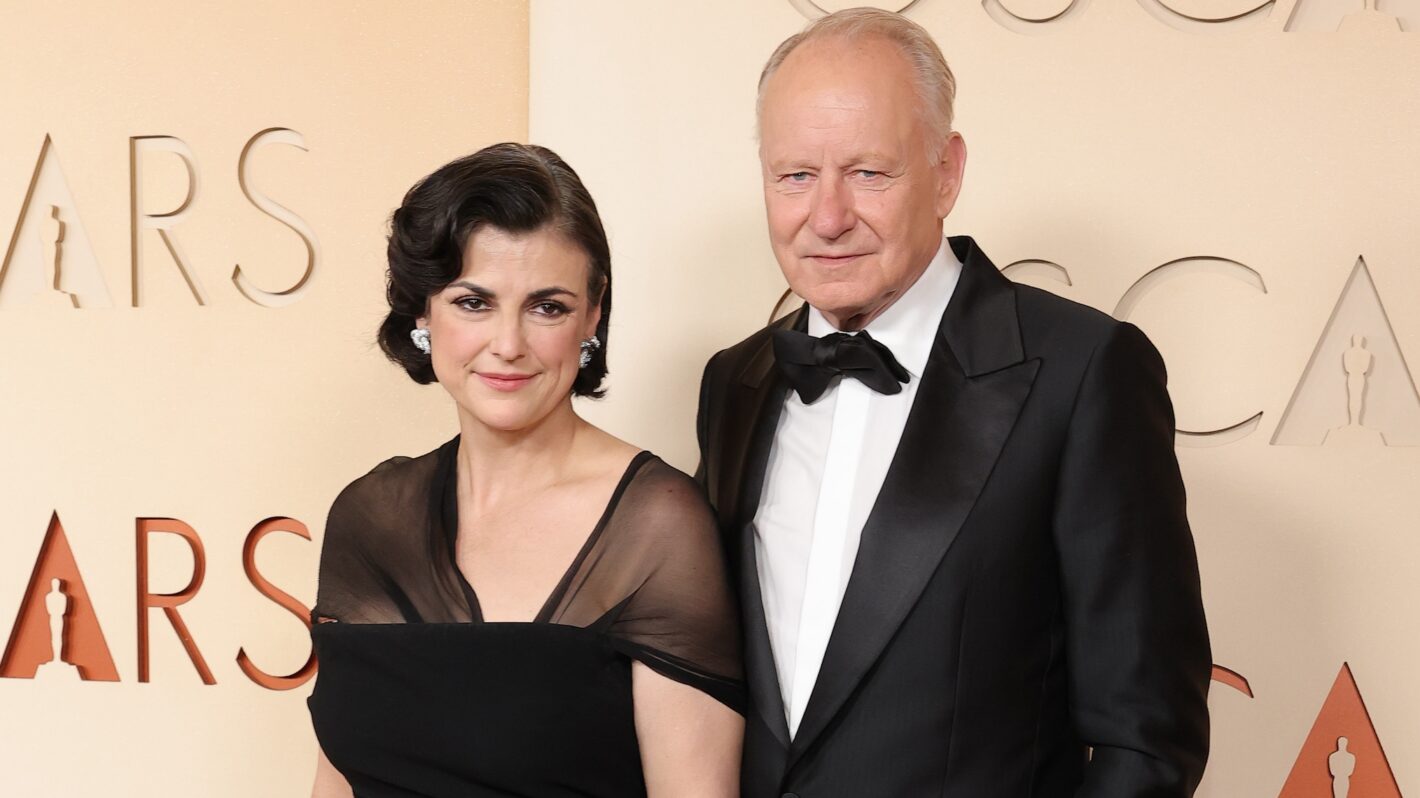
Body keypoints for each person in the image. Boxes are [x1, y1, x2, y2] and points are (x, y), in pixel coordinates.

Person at [695, 10, 1211, 797]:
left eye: (869, 172)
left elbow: (1147, 738)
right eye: (795, 175)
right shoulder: (735, 382)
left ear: (946, 172)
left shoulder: (1084, 372)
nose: (827, 218)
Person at [308, 143, 745, 798]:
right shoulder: (369, 516)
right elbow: (337, 781)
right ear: (423, 311)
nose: (508, 344)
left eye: (548, 307)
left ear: (592, 317)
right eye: (474, 302)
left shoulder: (656, 526)